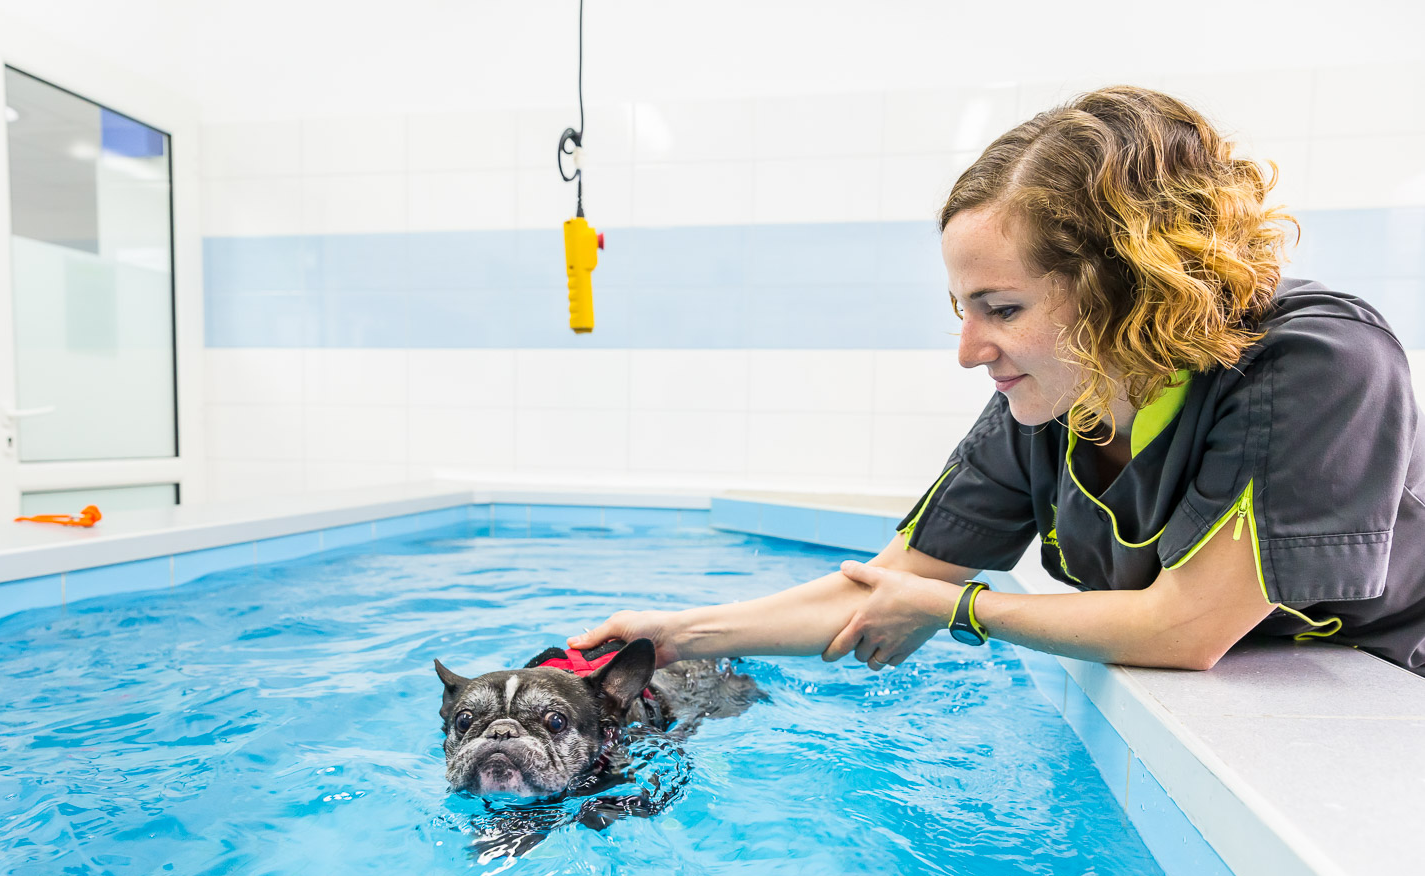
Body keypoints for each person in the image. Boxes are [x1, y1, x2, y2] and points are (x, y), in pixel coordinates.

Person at [570, 86, 1425, 677]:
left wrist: (960, 610)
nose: (970, 350)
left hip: (1380, 688)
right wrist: (676, 635)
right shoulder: (1055, 395)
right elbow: (888, 584)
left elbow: (1188, 628)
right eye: (964, 309)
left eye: (1003, 308)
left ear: (1129, 287)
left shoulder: (1317, 363)